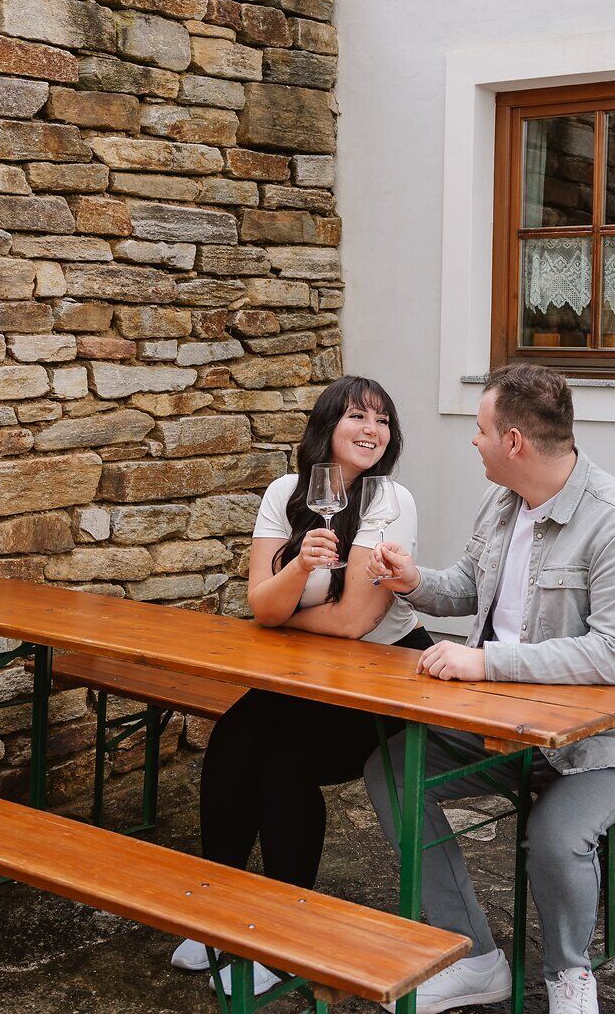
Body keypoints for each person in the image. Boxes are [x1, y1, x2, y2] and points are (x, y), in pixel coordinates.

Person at [364, 363, 615, 1014]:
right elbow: (470, 590)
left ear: (513, 443)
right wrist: (411, 579)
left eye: (480, 431)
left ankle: (569, 984)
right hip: (509, 726)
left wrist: (489, 664)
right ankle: (475, 958)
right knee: (393, 770)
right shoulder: (503, 503)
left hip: (611, 739)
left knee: (556, 837)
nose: (471, 441)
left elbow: (614, 655)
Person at [171, 375, 435, 995]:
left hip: (384, 670)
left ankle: (283, 940)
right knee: (234, 739)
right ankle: (216, 913)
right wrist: (298, 568)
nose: (373, 431)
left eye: (383, 421)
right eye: (358, 418)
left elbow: (354, 622)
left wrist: (285, 609)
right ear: (326, 427)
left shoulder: (390, 502)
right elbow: (261, 605)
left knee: (286, 762)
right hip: (306, 666)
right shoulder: (287, 493)